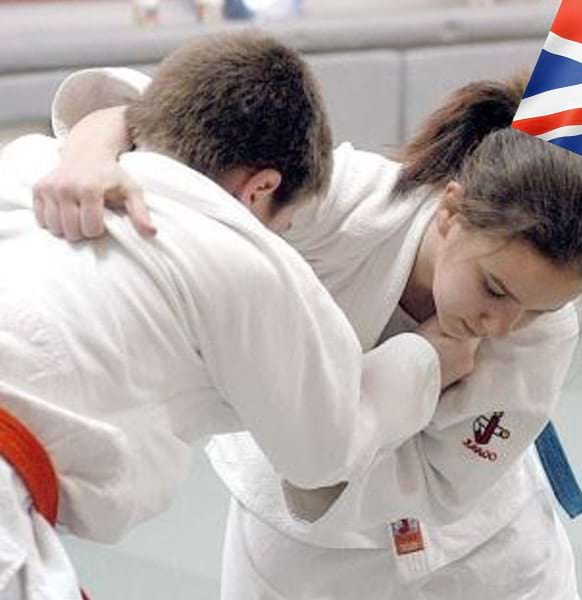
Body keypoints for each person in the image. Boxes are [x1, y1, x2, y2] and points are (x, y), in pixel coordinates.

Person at [36, 66, 582, 599]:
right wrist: (90, 154)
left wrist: (352, 420)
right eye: (494, 289)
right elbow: (162, 118)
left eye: (535, 310)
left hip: (485, 552)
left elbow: (440, 486)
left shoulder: (543, 332)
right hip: (298, 547)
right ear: (450, 211)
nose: (503, 325)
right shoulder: (345, 202)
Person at [0, 32, 478, 600]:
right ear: (261, 189)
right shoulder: (243, 258)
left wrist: (89, 145)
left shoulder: (35, 168)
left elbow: (121, 107)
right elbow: (322, 451)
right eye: (283, 220)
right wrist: (425, 357)